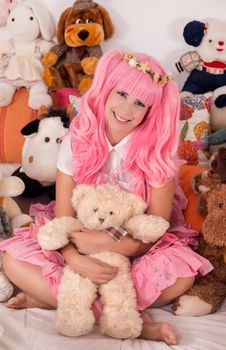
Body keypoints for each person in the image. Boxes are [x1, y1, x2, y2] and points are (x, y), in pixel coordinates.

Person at [0, 49, 213, 345]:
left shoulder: (157, 153)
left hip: (134, 247)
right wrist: (76, 260)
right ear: (106, 90)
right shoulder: (77, 140)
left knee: (183, 275)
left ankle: (55, 301)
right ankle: (130, 320)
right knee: (13, 260)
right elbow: (64, 219)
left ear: (150, 111)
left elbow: (155, 230)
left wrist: (107, 243)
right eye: (122, 94)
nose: (127, 109)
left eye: (140, 103)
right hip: (77, 239)